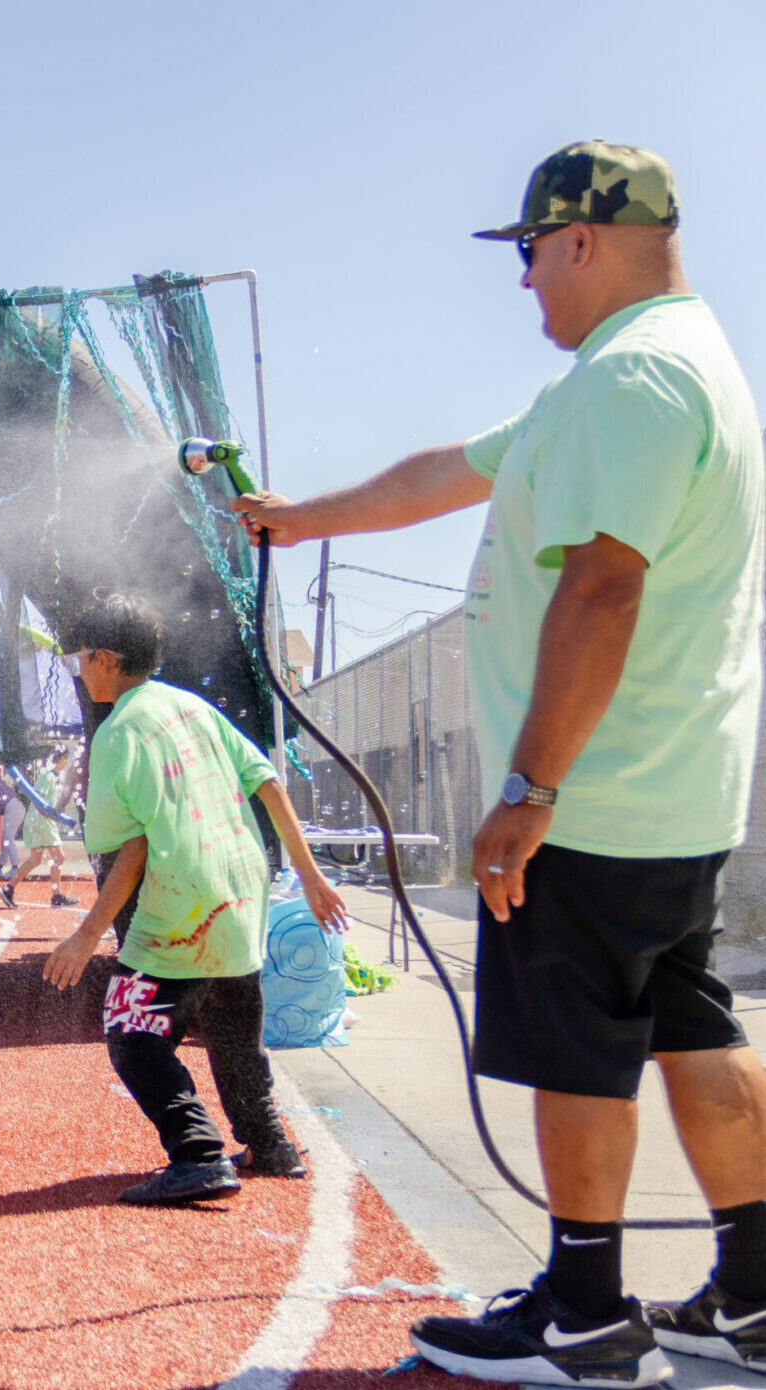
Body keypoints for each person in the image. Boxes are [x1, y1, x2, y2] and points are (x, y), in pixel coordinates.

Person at [236, 142, 766, 1387]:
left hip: (597, 795)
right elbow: (447, 472)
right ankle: (752, 1295)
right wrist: (300, 516)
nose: (522, 284)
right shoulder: (654, 369)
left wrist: (527, 792)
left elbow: (601, 589)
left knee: (578, 1044)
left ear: (579, 240)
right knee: (691, 1026)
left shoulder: (628, 380)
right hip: (676, 792)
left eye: (528, 256)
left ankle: (582, 1313)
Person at [43, 592, 347, 1205]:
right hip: (242, 892)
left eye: (81, 656)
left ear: (104, 658)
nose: (80, 668)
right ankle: (270, 1143)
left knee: (132, 1032)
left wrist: (86, 934)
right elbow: (268, 783)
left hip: (180, 908)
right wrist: (312, 877)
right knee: (235, 1027)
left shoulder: (119, 731)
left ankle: (198, 1154)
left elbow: (129, 852)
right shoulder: (195, 707)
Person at [0, 747, 78, 909]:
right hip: (42, 821)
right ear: (62, 759)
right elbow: (39, 800)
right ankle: (56, 896)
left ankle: (9, 888)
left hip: (38, 820)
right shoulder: (49, 776)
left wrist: (58, 810)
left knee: (35, 860)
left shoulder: (52, 776)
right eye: (66, 759)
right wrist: (54, 813)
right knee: (59, 858)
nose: (67, 762)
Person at [0, 764, 25, 879]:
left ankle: (15, 868)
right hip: (16, 807)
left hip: (13, 808)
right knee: (6, 839)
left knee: (7, 838)